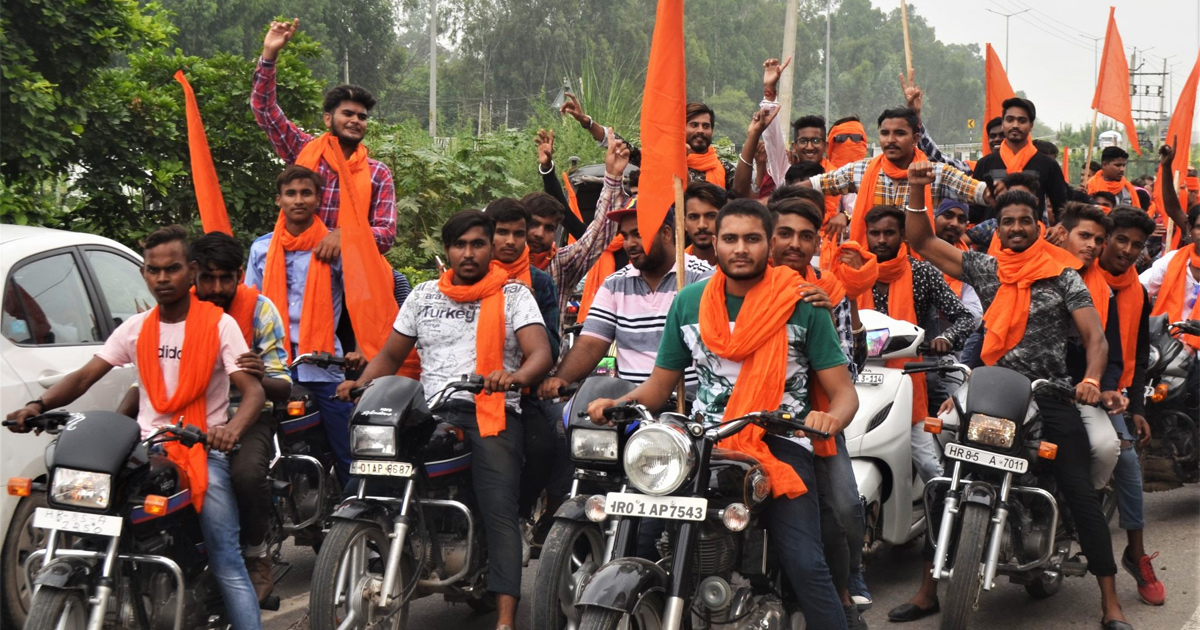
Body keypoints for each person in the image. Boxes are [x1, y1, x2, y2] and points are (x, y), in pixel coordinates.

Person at [587, 199, 858, 630]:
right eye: (730, 239)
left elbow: (843, 393)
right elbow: (660, 387)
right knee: (641, 535)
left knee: (806, 562)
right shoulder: (688, 302)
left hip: (781, 442)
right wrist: (617, 405)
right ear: (714, 243)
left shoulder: (802, 303)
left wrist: (830, 419)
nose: (740, 249)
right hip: (704, 442)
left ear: (769, 244)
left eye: (752, 239)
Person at [903, 161, 1132, 629]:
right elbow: (922, 241)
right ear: (999, 228)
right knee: (953, 479)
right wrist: (914, 186)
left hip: (1050, 395)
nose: (1016, 228)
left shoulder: (1064, 275)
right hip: (991, 391)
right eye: (1007, 222)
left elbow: (1096, 340)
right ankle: (928, 591)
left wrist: (1090, 379)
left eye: (1025, 221)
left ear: (1040, 226)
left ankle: (1111, 603)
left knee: (1076, 487)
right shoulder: (986, 268)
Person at [7, 226, 267, 630]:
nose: (162, 278)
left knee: (227, 558)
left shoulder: (219, 326)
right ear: (144, 273)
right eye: (153, 270)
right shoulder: (136, 327)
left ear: (191, 271)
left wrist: (230, 430)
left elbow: (252, 393)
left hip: (201, 449)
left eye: (172, 269)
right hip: (145, 449)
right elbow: (85, 376)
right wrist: (38, 404)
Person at [338, 210, 553, 630]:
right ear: (448, 250)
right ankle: (366, 554)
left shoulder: (514, 295)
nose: (468, 253)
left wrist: (515, 377)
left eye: (477, 244)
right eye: (459, 245)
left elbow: (540, 354)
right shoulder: (422, 296)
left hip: (492, 412)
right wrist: (361, 385)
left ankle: (505, 620)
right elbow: (390, 356)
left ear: (491, 248)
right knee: (363, 479)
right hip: (431, 412)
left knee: (499, 507)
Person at [768, 196, 869, 628]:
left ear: (816, 243)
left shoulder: (828, 291)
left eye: (805, 236)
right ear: (767, 237)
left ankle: (846, 587)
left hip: (816, 419)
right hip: (748, 420)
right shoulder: (736, 287)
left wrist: (822, 317)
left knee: (841, 505)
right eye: (784, 233)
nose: (794, 244)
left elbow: (847, 366)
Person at [187, 232, 292, 602]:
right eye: (208, 278)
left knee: (246, 475)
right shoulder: (175, 311)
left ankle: (257, 554)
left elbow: (284, 386)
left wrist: (260, 373)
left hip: (248, 414)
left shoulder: (261, 310)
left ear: (240, 274)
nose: (216, 287)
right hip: (191, 414)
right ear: (193, 274)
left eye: (226, 278)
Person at [245, 166, 353, 484]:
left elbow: (361, 305)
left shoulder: (333, 247)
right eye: (291, 193)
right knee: (260, 443)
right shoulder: (261, 249)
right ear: (279, 200)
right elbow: (249, 305)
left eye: (306, 193)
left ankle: (358, 511)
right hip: (272, 363)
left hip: (322, 362)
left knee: (347, 445)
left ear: (318, 199)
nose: (298, 200)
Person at [538, 199, 712, 396]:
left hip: (691, 408)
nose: (630, 244)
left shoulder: (702, 278)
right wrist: (562, 379)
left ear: (666, 234)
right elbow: (591, 344)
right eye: (626, 236)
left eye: (638, 234)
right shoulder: (614, 284)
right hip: (630, 409)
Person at [252, 19, 395, 256]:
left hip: (351, 277)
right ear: (328, 119)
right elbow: (264, 109)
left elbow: (386, 234)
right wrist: (269, 55)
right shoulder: (303, 149)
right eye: (347, 113)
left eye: (362, 116)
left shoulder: (377, 173)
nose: (355, 121)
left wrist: (346, 234)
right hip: (295, 265)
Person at [856, 205, 978, 483]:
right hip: (858, 376)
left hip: (913, 374)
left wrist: (944, 339)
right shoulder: (853, 275)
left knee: (927, 463)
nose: (882, 240)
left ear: (904, 236)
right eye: (875, 233)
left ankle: (945, 513)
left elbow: (964, 317)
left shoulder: (923, 273)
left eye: (889, 233)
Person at [481, 197, 562, 547]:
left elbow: (553, 345)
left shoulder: (540, 284)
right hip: (466, 386)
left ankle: (520, 514)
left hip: (521, 391)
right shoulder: (460, 276)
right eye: (502, 233)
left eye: (518, 233)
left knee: (547, 446)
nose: (511, 242)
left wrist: (524, 316)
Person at [1096, 207, 1167, 606]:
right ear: (1105, 238)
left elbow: (1139, 353)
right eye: (1121, 240)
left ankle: (1135, 552)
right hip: (1069, 388)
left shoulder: (1138, 291)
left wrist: (1136, 406)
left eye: (1137, 245)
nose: (1127, 250)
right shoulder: (1078, 277)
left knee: (1127, 464)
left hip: (1115, 398)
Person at [808, 107, 989, 249]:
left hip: (918, 270)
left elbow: (979, 192)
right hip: (870, 269)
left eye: (900, 133)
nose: (890, 140)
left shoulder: (934, 173)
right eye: (885, 133)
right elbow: (817, 184)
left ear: (915, 138)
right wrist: (783, 195)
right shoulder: (862, 170)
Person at [1056, 204, 1123, 490]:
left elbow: (1113, 353)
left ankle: (1081, 505)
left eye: (1098, 240)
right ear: (1062, 234)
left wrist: (1101, 385)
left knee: (1107, 447)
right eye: (1084, 236)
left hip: (1079, 390)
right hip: (1028, 380)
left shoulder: (1104, 291)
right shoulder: (1034, 272)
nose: (1092, 245)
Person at [974, 98, 1069, 220]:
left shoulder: (1048, 164)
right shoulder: (985, 164)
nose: (1015, 125)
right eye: (1010, 120)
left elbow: (1061, 207)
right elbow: (974, 210)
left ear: (1031, 126)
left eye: (1022, 121)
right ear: (1003, 123)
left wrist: (1059, 227)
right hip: (990, 235)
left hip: (1032, 235)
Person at [683, 181, 727, 266]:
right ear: (684, 223)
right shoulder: (676, 268)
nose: (702, 225)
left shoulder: (737, 267)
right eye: (693, 217)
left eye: (710, 216)